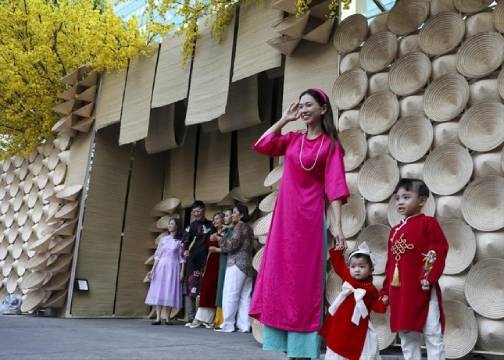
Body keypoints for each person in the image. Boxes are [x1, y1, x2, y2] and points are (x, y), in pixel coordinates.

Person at [249, 88, 349, 359]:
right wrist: (283, 120)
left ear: (323, 109)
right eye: (301, 106)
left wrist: (338, 227)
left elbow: (336, 188)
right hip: (284, 221)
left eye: (309, 105)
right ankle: (284, 345)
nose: (303, 110)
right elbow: (261, 144)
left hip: (310, 222)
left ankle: (302, 350)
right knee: (280, 279)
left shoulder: (330, 145)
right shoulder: (293, 139)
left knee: (304, 283)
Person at [380, 179, 449, 360]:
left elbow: (438, 250)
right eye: (397, 198)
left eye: (406, 197)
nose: (400, 202)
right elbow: (390, 264)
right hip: (399, 292)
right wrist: (386, 291)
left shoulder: (428, 224)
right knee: (406, 335)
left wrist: (429, 276)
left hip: (422, 288)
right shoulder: (394, 231)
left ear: (422, 200)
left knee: (433, 332)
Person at [319, 242, 387, 360]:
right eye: (353, 266)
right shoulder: (348, 276)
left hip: (359, 325)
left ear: (371, 269)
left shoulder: (371, 289)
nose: (357, 270)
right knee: (337, 344)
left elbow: (376, 305)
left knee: (363, 347)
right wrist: (338, 251)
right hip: (341, 321)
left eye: (362, 266)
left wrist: (384, 301)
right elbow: (338, 264)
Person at [216, 204, 256, 333]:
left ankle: (228, 324)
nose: (232, 215)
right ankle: (244, 325)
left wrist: (220, 239)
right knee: (245, 296)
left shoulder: (239, 226)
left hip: (236, 263)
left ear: (242, 215)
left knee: (230, 294)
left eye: (234, 212)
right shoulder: (249, 228)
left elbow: (231, 246)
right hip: (248, 265)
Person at [189, 212, 226, 328]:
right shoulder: (211, 233)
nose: (215, 221)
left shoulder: (227, 233)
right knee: (205, 287)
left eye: (217, 218)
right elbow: (207, 248)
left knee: (216, 289)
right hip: (211, 262)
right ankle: (201, 317)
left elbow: (228, 245)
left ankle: (211, 319)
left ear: (223, 220)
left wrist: (219, 239)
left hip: (221, 260)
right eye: (214, 219)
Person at [145, 218, 185, 325]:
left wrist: (182, 272)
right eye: (169, 224)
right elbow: (158, 255)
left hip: (173, 267)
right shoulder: (163, 239)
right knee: (159, 289)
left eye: (172, 224)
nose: (170, 226)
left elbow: (182, 258)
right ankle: (158, 317)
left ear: (177, 226)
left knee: (170, 290)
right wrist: (152, 270)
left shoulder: (180, 241)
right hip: (161, 266)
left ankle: (167, 318)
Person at [183, 201, 214, 323]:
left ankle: (203, 317)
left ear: (204, 210)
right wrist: (185, 250)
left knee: (205, 287)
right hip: (193, 260)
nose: (196, 214)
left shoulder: (211, 225)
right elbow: (186, 240)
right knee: (191, 286)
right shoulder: (191, 226)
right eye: (194, 212)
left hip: (207, 260)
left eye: (198, 211)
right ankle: (191, 316)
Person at [214, 209, 233, 328]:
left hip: (228, 260)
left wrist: (219, 241)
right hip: (223, 259)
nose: (225, 218)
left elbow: (228, 247)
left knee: (225, 288)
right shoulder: (227, 230)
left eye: (226, 216)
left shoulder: (232, 230)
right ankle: (219, 318)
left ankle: (223, 319)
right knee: (221, 287)